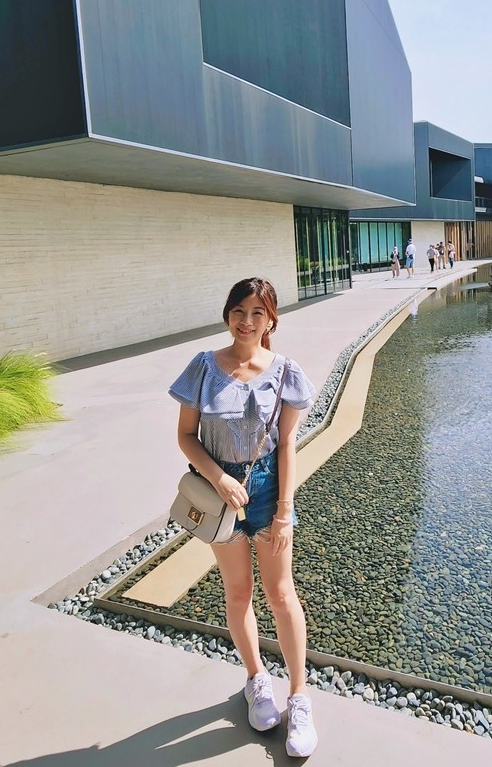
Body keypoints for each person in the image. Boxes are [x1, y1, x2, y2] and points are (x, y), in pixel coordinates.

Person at [169, 277, 319, 758]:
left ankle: (299, 697)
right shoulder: (203, 367)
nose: (246, 321)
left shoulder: (285, 371)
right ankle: (257, 680)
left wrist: (284, 511)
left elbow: (289, 444)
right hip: (219, 497)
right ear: (226, 314)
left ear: (271, 319)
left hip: (267, 491)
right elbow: (187, 437)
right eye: (239, 310)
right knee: (238, 591)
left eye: (257, 312)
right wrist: (219, 479)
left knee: (281, 593)